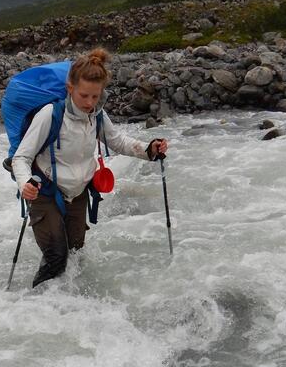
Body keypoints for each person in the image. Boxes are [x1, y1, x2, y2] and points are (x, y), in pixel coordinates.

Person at [11, 48, 168, 287]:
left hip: (79, 193)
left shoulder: (97, 116)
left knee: (75, 254)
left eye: (95, 97)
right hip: (45, 191)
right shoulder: (50, 115)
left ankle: (70, 305)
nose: (89, 103)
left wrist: (149, 150)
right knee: (56, 256)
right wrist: (25, 184)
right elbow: (21, 157)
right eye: (84, 96)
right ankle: (35, 307)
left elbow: (118, 142)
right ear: (70, 88)